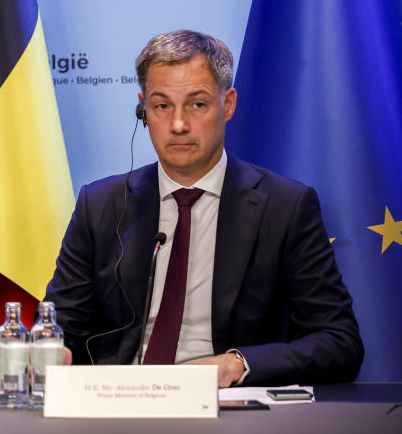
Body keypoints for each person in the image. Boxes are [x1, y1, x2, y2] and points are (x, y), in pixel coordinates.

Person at [44, 30, 362, 387]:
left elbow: (340, 343)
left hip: (227, 409)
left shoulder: (285, 207)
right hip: (119, 401)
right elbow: (61, 327)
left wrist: (238, 364)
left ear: (227, 105)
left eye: (197, 104)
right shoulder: (100, 205)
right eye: (162, 105)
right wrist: (54, 349)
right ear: (143, 109)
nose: (178, 125)